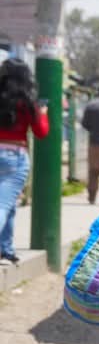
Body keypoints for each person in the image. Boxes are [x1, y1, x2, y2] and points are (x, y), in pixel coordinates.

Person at [0, 57, 48, 265]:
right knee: (3, 204)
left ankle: (6, 249)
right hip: (15, 156)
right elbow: (41, 132)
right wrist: (43, 114)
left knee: (9, 203)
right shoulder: (28, 102)